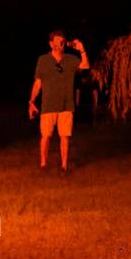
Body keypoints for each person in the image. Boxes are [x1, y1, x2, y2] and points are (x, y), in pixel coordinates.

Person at [28, 31, 90, 174]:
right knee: (45, 136)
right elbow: (38, 83)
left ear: (64, 44)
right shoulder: (43, 60)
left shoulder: (71, 59)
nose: (59, 46)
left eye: (62, 43)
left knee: (65, 137)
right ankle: (43, 164)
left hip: (66, 105)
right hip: (48, 105)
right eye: (56, 43)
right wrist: (31, 101)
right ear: (51, 43)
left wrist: (82, 50)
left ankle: (64, 166)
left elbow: (85, 67)